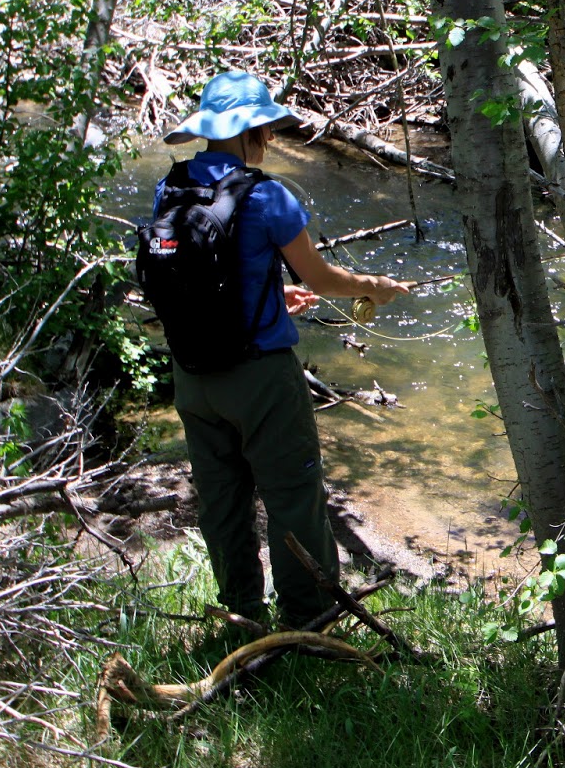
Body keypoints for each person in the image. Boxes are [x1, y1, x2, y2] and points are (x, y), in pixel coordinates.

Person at [159, 70, 412, 628]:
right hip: (261, 379)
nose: (270, 139)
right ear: (252, 132)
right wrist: (377, 287)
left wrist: (272, 291)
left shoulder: (171, 190)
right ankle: (310, 621)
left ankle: (240, 615)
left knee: (222, 503)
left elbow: (204, 271)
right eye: (267, 129)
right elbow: (323, 279)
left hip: (193, 375)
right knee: (293, 498)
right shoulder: (269, 195)